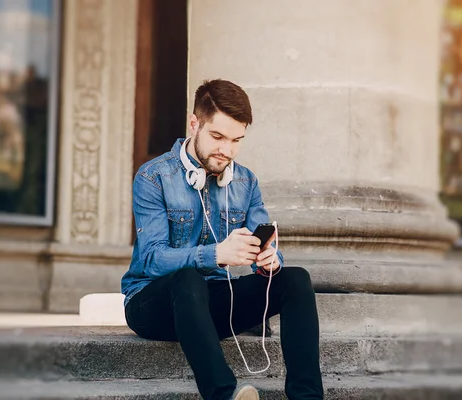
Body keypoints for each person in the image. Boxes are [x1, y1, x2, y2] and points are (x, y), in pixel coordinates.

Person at [121, 79, 323, 400]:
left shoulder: (245, 181)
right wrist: (215, 254)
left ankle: (307, 397)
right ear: (194, 124)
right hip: (152, 306)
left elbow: (266, 244)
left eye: (236, 140)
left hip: (212, 307)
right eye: (217, 137)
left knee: (296, 279)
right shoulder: (154, 177)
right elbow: (151, 260)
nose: (226, 151)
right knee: (187, 278)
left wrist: (269, 261)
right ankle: (225, 395)